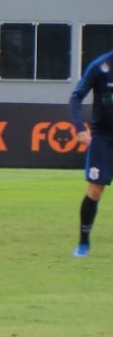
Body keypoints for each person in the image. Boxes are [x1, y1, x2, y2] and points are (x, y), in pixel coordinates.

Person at [69, 49, 113, 258]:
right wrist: (79, 128)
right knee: (95, 190)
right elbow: (76, 97)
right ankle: (83, 242)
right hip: (103, 138)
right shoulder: (100, 66)